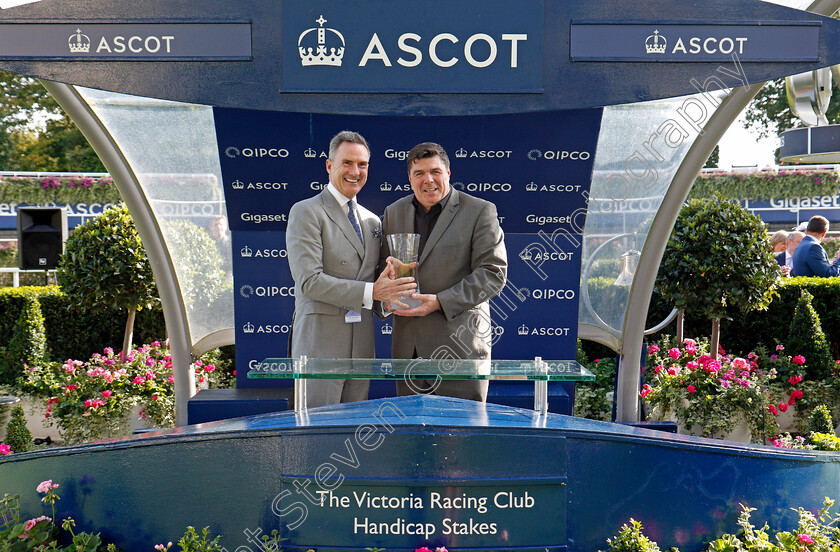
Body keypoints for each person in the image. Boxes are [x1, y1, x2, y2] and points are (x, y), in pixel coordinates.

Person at [286, 131, 416, 408]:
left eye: (362, 164)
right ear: (329, 166)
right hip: (320, 347)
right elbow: (309, 281)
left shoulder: (372, 221)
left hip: (361, 349)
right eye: (347, 163)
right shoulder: (306, 211)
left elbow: (375, 285)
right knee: (317, 435)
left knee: (348, 434)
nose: (355, 171)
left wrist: (392, 298)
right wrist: (373, 291)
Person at [378, 142, 507, 401]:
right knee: (410, 437)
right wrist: (385, 296)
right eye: (419, 173)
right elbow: (383, 271)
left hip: (460, 349)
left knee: (461, 437)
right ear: (410, 178)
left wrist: (439, 302)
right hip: (408, 352)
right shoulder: (393, 212)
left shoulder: (480, 211)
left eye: (435, 171)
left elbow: (493, 273)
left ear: (448, 172)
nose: (428, 180)